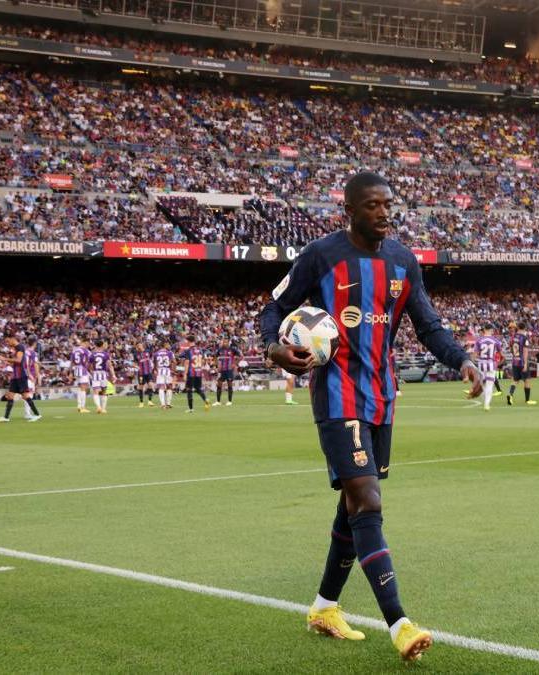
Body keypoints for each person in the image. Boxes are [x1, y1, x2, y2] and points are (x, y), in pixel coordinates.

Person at [259, 172, 481, 663]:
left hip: (382, 397)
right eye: (372, 205)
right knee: (367, 499)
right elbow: (274, 309)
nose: (383, 213)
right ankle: (399, 623)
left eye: (387, 204)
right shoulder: (322, 255)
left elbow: (428, 324)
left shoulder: (403, 262)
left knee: (353, 507)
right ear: (350, 210)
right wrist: (275, 348)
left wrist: (461, 358)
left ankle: (323, 606)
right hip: (337, 398)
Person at [0, 336, 41, 423]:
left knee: (25, 396)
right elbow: (15, 362)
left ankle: (37, 414)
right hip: (15, 376)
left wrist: (5, 358)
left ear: (13, 339)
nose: (8, 343)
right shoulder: (16, 348)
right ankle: (6, 417)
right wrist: (4, 360)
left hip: (21, 376)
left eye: (8, 341)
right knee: (10, 396)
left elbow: (19, 360)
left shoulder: (20, 347)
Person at [506, 322, 537, 405]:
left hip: (515, 361)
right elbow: (525, 351)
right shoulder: (524, 338)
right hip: (522, 362)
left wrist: (515, 355)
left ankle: (510, 395)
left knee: (515, 380)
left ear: (517, 327)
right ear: (524, 328)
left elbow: (510, 349)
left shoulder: (513, 337)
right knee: (527, 380)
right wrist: (525, 364)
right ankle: (527, 400)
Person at [474, 324, 502, 411]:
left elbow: (475, 355)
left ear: (484, 330)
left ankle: (484, 401)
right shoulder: (496, 341)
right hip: (491, 364)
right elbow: (500, 354)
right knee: (490, 385)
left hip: (481, 364)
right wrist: (498, 362)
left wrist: (476, 361)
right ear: (491, 330)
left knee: (482, 385)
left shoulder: (479, 340)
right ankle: (487, 405)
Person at [179, 336, 210, 413]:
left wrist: (185, 374)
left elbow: (187, 362)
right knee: (198, 388)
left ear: (189, 341)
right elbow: (203, 361)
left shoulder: (188, 350)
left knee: (189, 389)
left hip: (191, 372)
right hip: (198, 372)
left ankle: (191, 409)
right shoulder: (200, 350)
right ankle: (206, 399)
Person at [89, 338, 116, 414]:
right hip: (103, 374)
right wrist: (113, 375)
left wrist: (92, 373)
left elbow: (90, 366)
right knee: (104, 392)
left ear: (95, 345)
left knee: (95, 392)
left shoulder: (92, 354)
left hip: (95, 374)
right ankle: (103, 409)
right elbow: (110, 365)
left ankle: (98, 407)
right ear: (102, 345)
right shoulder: (105, 354)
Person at [213, 338, 240, 407]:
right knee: (219, 384)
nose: (224, 343)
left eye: (226, 342)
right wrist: (216, 366)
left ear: (228, 343)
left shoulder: (232, 349)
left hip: (229, 370)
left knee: (229, 384)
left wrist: (234, 364)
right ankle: (218, 401)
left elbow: (239, 356)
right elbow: (215, 356)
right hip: (222, 370)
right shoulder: (220, 349)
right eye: (223, 342)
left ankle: (229, 401)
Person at [71, 335, 92, 413]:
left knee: (81, 388)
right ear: (85, 342)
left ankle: (79, 406)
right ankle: (82, 407)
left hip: (76, 369)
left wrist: (71, 372)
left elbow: (72, 362)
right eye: (88, 343)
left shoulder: (75, 350)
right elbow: (90, 361)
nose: (89, 345)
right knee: (84, 388)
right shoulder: (86, 351)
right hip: (82, 369)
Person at [134, 342, 156, 408]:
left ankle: (150, 401)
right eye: (138, 346)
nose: (139, 347)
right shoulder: (136, 354)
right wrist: (136, 366)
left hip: (148, 372)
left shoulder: (148, 351)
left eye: (140, 345)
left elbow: (153, 358)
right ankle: (141, 402)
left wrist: (153, 367)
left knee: (150, 385)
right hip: (141, 373)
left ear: (142, 345)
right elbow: (134, 363)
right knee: (141, 387)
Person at [154, 343, 175, 410]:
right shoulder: (170, 353)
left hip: (160, 371)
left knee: (161, 387)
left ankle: (163, 404)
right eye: (168, 345)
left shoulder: (156, 353)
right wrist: (173, 370)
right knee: (169, 387)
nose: (169, 346)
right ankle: (168, 404)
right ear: (165, 346)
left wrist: (156, 370)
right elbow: (174, 361)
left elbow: (155, 363)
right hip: (167, 371)